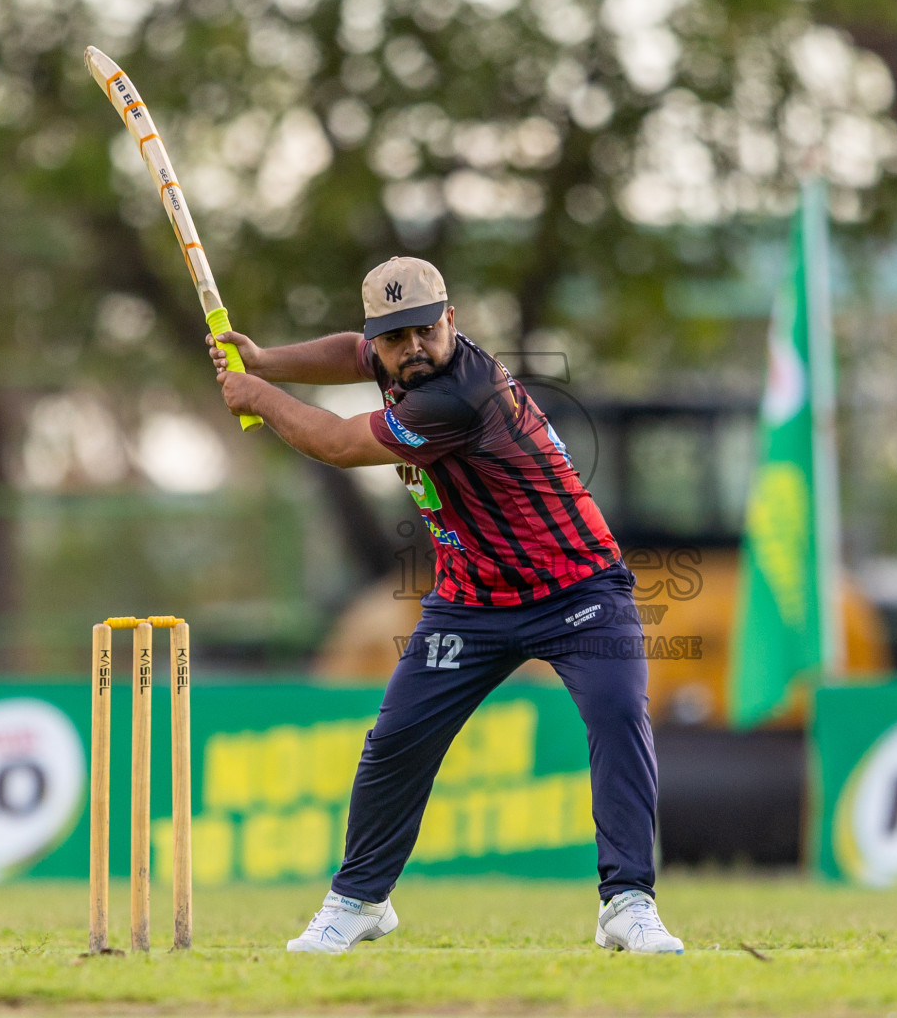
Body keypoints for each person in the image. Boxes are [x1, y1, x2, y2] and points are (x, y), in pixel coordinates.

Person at [210, 256, 683, 955]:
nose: (413, 350)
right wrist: (266, 359)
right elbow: (351, 352)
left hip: (577, 586)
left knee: (617, 717)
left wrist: (258, 396)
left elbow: (339, 444)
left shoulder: (456, 394)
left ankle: (627, 903)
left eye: (426, 332)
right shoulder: (393, 360)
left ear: (451, 322)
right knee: (396, 742)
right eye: (395, 339)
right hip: (473, 603)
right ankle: (361, 900)